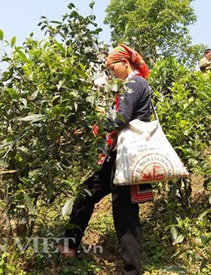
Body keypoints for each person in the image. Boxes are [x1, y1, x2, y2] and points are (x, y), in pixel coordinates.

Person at [58, 44, 153, 275]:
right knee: (86, 193)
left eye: (113, 67)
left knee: (125, 216)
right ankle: (68, 245)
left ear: (125, 62)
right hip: (118, 157)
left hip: (127, 158)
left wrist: (97, 121)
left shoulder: (134, 83)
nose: (112, 72)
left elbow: (120, 119)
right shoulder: (134, 83)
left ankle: (132, 271)